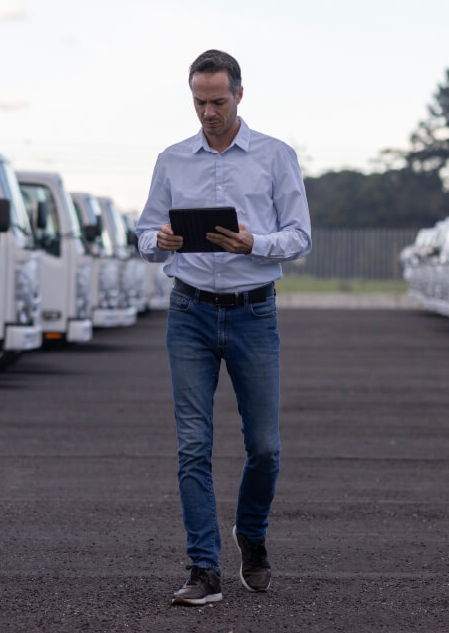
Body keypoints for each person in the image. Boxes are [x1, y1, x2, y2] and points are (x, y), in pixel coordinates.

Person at [134, 49, 312, 607]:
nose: (207, 113)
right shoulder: (172, 160)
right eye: (198, 102)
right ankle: (203, 569)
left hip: (254, 311)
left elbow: (301, 237)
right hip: (188, 311)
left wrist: (253, 243)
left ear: (239, 95)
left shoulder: (276, 157)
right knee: (193, 445)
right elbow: (142, 233)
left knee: (264, 447)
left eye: (217, 101)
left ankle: (251, 533)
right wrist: (157, 241)